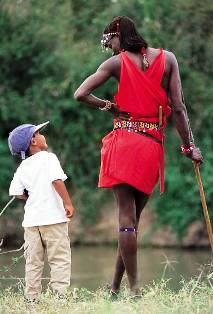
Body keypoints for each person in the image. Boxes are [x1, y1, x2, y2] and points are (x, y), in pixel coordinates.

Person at [74, 16, 203, 295]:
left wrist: (109, 106)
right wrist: (188, 147)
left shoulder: (116, 63)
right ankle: (114, 288)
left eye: (110, 42)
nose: (110, 49)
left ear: (118, 35)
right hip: (150, 146)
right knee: (132, 222)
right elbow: (179, 108)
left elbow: (80, 93)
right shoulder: (168, 59)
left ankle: (133, 290)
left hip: (123, 144)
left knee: (125, 220)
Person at [8, 121, 75, 301]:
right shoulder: (48, 158)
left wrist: (31, 196)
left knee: (33, 262)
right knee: (59, 259)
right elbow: (57, 181)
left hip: (31, 223)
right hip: (53, 219)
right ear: (34, 141)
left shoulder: (23, 167)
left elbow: (16, 192)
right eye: (39, 132)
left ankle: (32, 298)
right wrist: (68, 203)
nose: (43, 135)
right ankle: (59, 297)